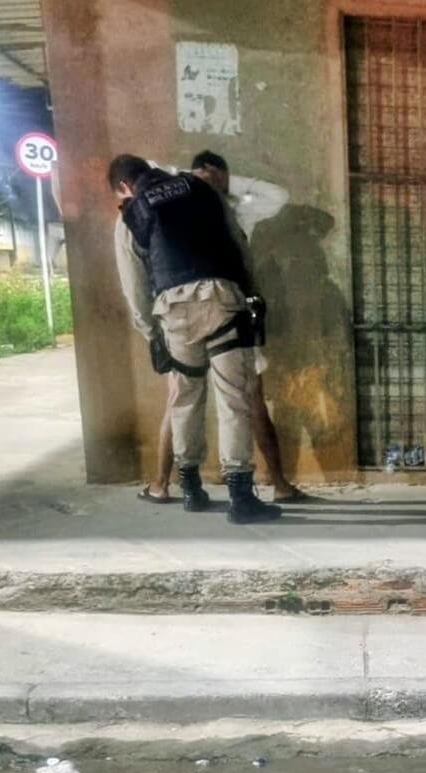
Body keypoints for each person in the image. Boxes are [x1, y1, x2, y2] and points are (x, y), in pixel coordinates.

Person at [109, 154, 281, 524]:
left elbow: (133, 285)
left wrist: (151, 333)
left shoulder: (130, 215)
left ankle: (191, 489)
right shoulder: (201, 189)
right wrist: (250, 293)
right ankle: (240, 497)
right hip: (222, 300)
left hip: (173, 312)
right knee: (233, 399)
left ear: (124, 186)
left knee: (185, 399)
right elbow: (237, 243)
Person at [139, 150, 305, 504]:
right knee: (203, 399)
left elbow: (278, 196)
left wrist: (223, 184)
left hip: (215, 309)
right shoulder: (183, 206)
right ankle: (177, 484)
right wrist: (189, 179)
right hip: (218, 305)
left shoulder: (235, 208)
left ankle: (268, 484)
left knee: (224, 399)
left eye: (211, 175)